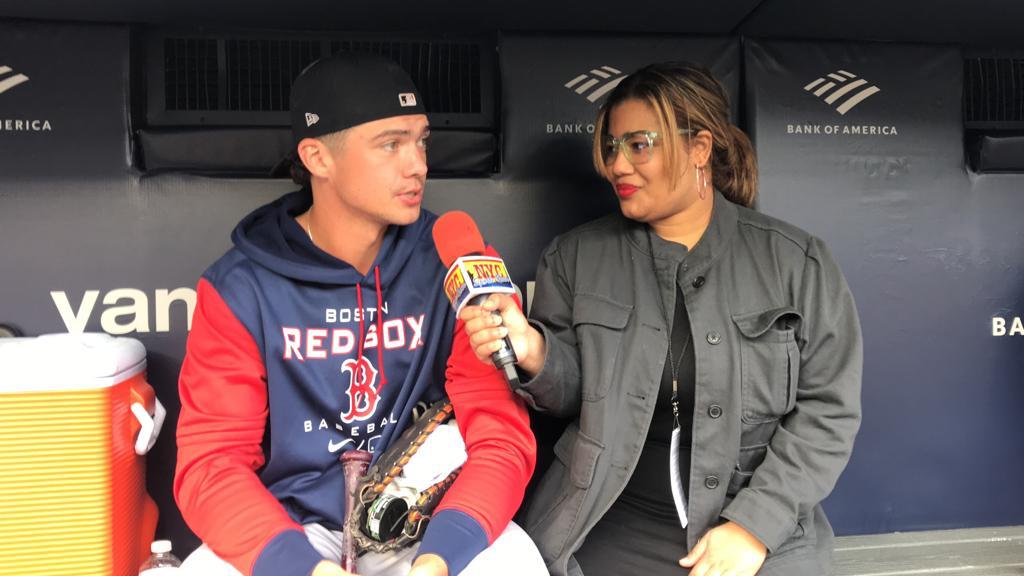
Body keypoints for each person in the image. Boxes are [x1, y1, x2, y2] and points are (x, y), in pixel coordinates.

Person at [461, 61, 862, 576]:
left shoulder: (798, 262)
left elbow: (827, 413)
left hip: (756, 527)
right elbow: (570, 397)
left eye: (638, 144)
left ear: (700, 148)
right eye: (611, 147)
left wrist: (753, 527)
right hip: (606, 519)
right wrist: (535, 352)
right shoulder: (575, 257)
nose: (617, 165)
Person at [174, 53, 541, 576]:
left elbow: (498, 434)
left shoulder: (459, 265)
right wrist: (300, 566)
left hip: (425, 523)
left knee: (512, 565)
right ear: (318, 157)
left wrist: (443, 554)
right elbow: (211, 463)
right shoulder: (241, 287)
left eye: (421, 141)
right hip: (296, 530)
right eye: (391, 144)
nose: (417, 164)